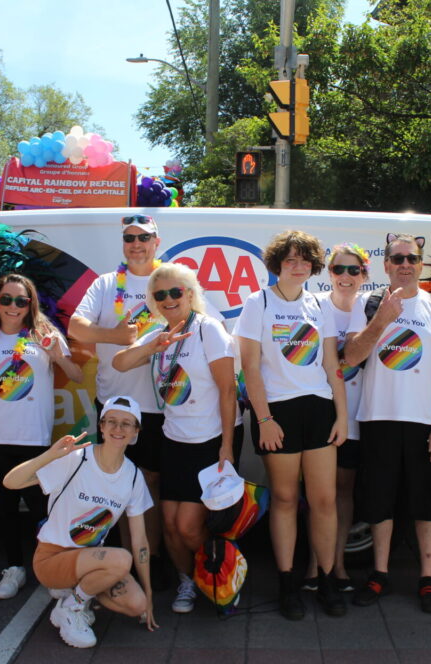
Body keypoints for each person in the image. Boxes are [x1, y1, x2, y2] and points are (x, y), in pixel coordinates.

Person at [113, 262, 240, 614]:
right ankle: (190, 581)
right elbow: (121, 363)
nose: (168, 299)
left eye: (175, 292)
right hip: (174, 441)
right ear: (153, 301)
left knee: (188, 526)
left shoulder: (208, 329)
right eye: (160, 295)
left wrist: (227, 447)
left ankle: (215, 575)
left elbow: (228, 390)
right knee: (169, 526)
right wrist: (151, 347)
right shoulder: (158, 334)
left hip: (209, 441)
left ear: (190, 294)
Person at [234, 230, 348, 620]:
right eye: (290, 260)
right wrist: (263, 419)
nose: (298, 267)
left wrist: (343, 417)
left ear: (314, 265)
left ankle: (328, 579)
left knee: (324, 501)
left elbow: (333, 366)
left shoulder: (321, 304)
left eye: (304, 260)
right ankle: (287, 583)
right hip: (276, 414)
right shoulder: (258, 301)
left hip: (319, 410)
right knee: (283, 499)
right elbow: (250, 366)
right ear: (277, 264)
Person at [342, 233, 431, 614]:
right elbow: (351, 357)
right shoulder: (368, 302)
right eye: (398, 259)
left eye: (412, 258)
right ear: (386, 265)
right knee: (379, 501)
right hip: (378, 417)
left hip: (424, 421)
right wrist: (381, 320)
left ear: (420, 265)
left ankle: (427, 577)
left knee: (426, 502)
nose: (405, 264)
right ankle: (379, 573)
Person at [3, 396, 157, 649]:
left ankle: (75, 592)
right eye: (112, 422)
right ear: (102, 426)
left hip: (91, 560)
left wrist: (149, 593)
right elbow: (11, 482)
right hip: (52, 559)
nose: (118, 429)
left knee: (137, 604)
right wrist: (50, 455)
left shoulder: (132, 476)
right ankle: (71, 607)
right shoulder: (77, 459)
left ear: (135, 432)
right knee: (120, 559)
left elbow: (140, 541)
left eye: (126, 424)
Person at [0, 273, 84, 599]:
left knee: (41, 509)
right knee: (5, 508)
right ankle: (14, 568)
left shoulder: (44, 335)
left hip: (34, 439)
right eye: (7, 299)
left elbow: (75, 375)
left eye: (21, 300)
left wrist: (56, 353)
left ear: (30, 303)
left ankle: (52, 570)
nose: (13, 306)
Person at [68, 214, 167, 582]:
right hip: (114, 405)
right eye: (129, 238)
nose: (136, 244)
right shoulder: (107, 284)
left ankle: (152, 560)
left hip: (160, 406)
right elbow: (75, 327)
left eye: (144, 237)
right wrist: (113, 336)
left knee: (152, 483)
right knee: (119, 484)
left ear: (157, 242)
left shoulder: (168, 281)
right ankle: (126, 561)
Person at [303, 244, 370, 594]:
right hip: (321, 412)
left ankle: (338, 564)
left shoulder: (371, 307)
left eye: (353, 270)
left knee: (343, 491)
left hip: (359, 414)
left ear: (364, 275)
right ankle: (315, 566)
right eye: (338, 270)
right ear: (328, 273)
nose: (346, 277)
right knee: (319, 494)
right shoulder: (313, 306)